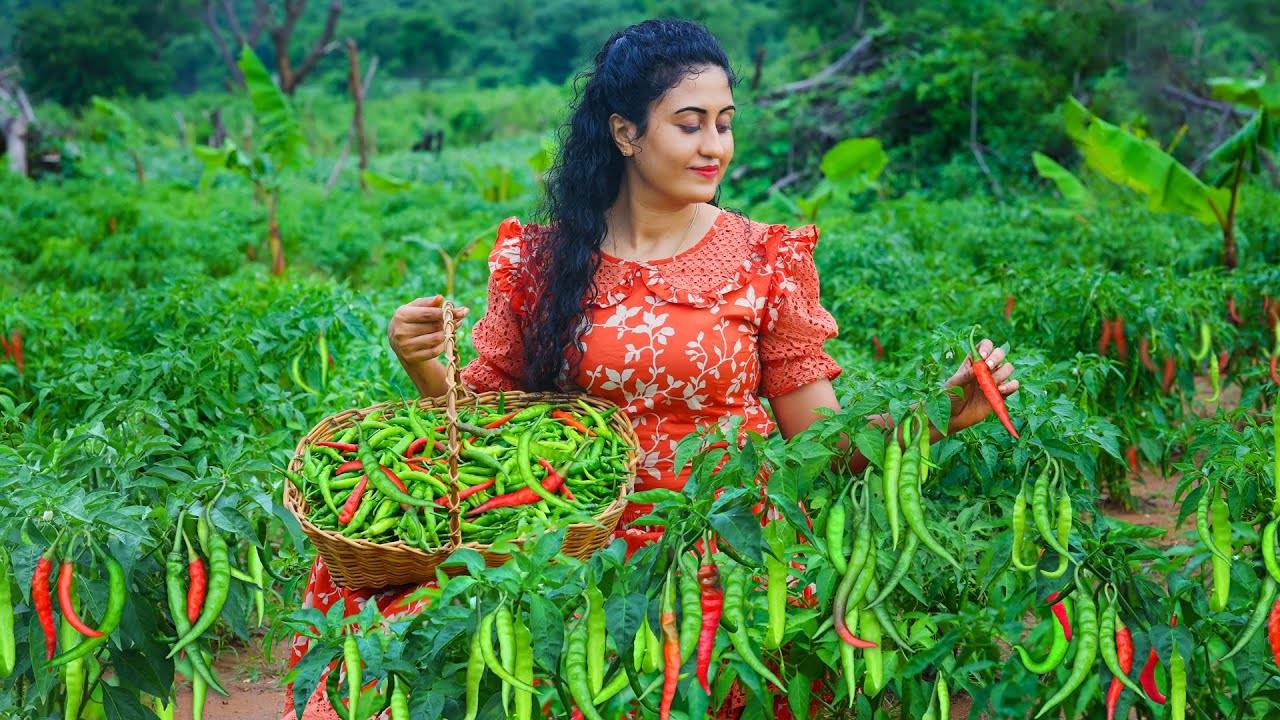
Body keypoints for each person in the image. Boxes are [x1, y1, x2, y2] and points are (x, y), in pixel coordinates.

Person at [283, 18, 1018, 719]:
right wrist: (421, 365)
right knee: (420, 644)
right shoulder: (540, 262)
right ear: (625, 132)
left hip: (715, 539)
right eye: (689, 122)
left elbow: (818, 443)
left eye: (725, 122)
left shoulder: (764, 260)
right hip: (562, 544)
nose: (715, 146)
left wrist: (935, 417)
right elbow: (482, 440)